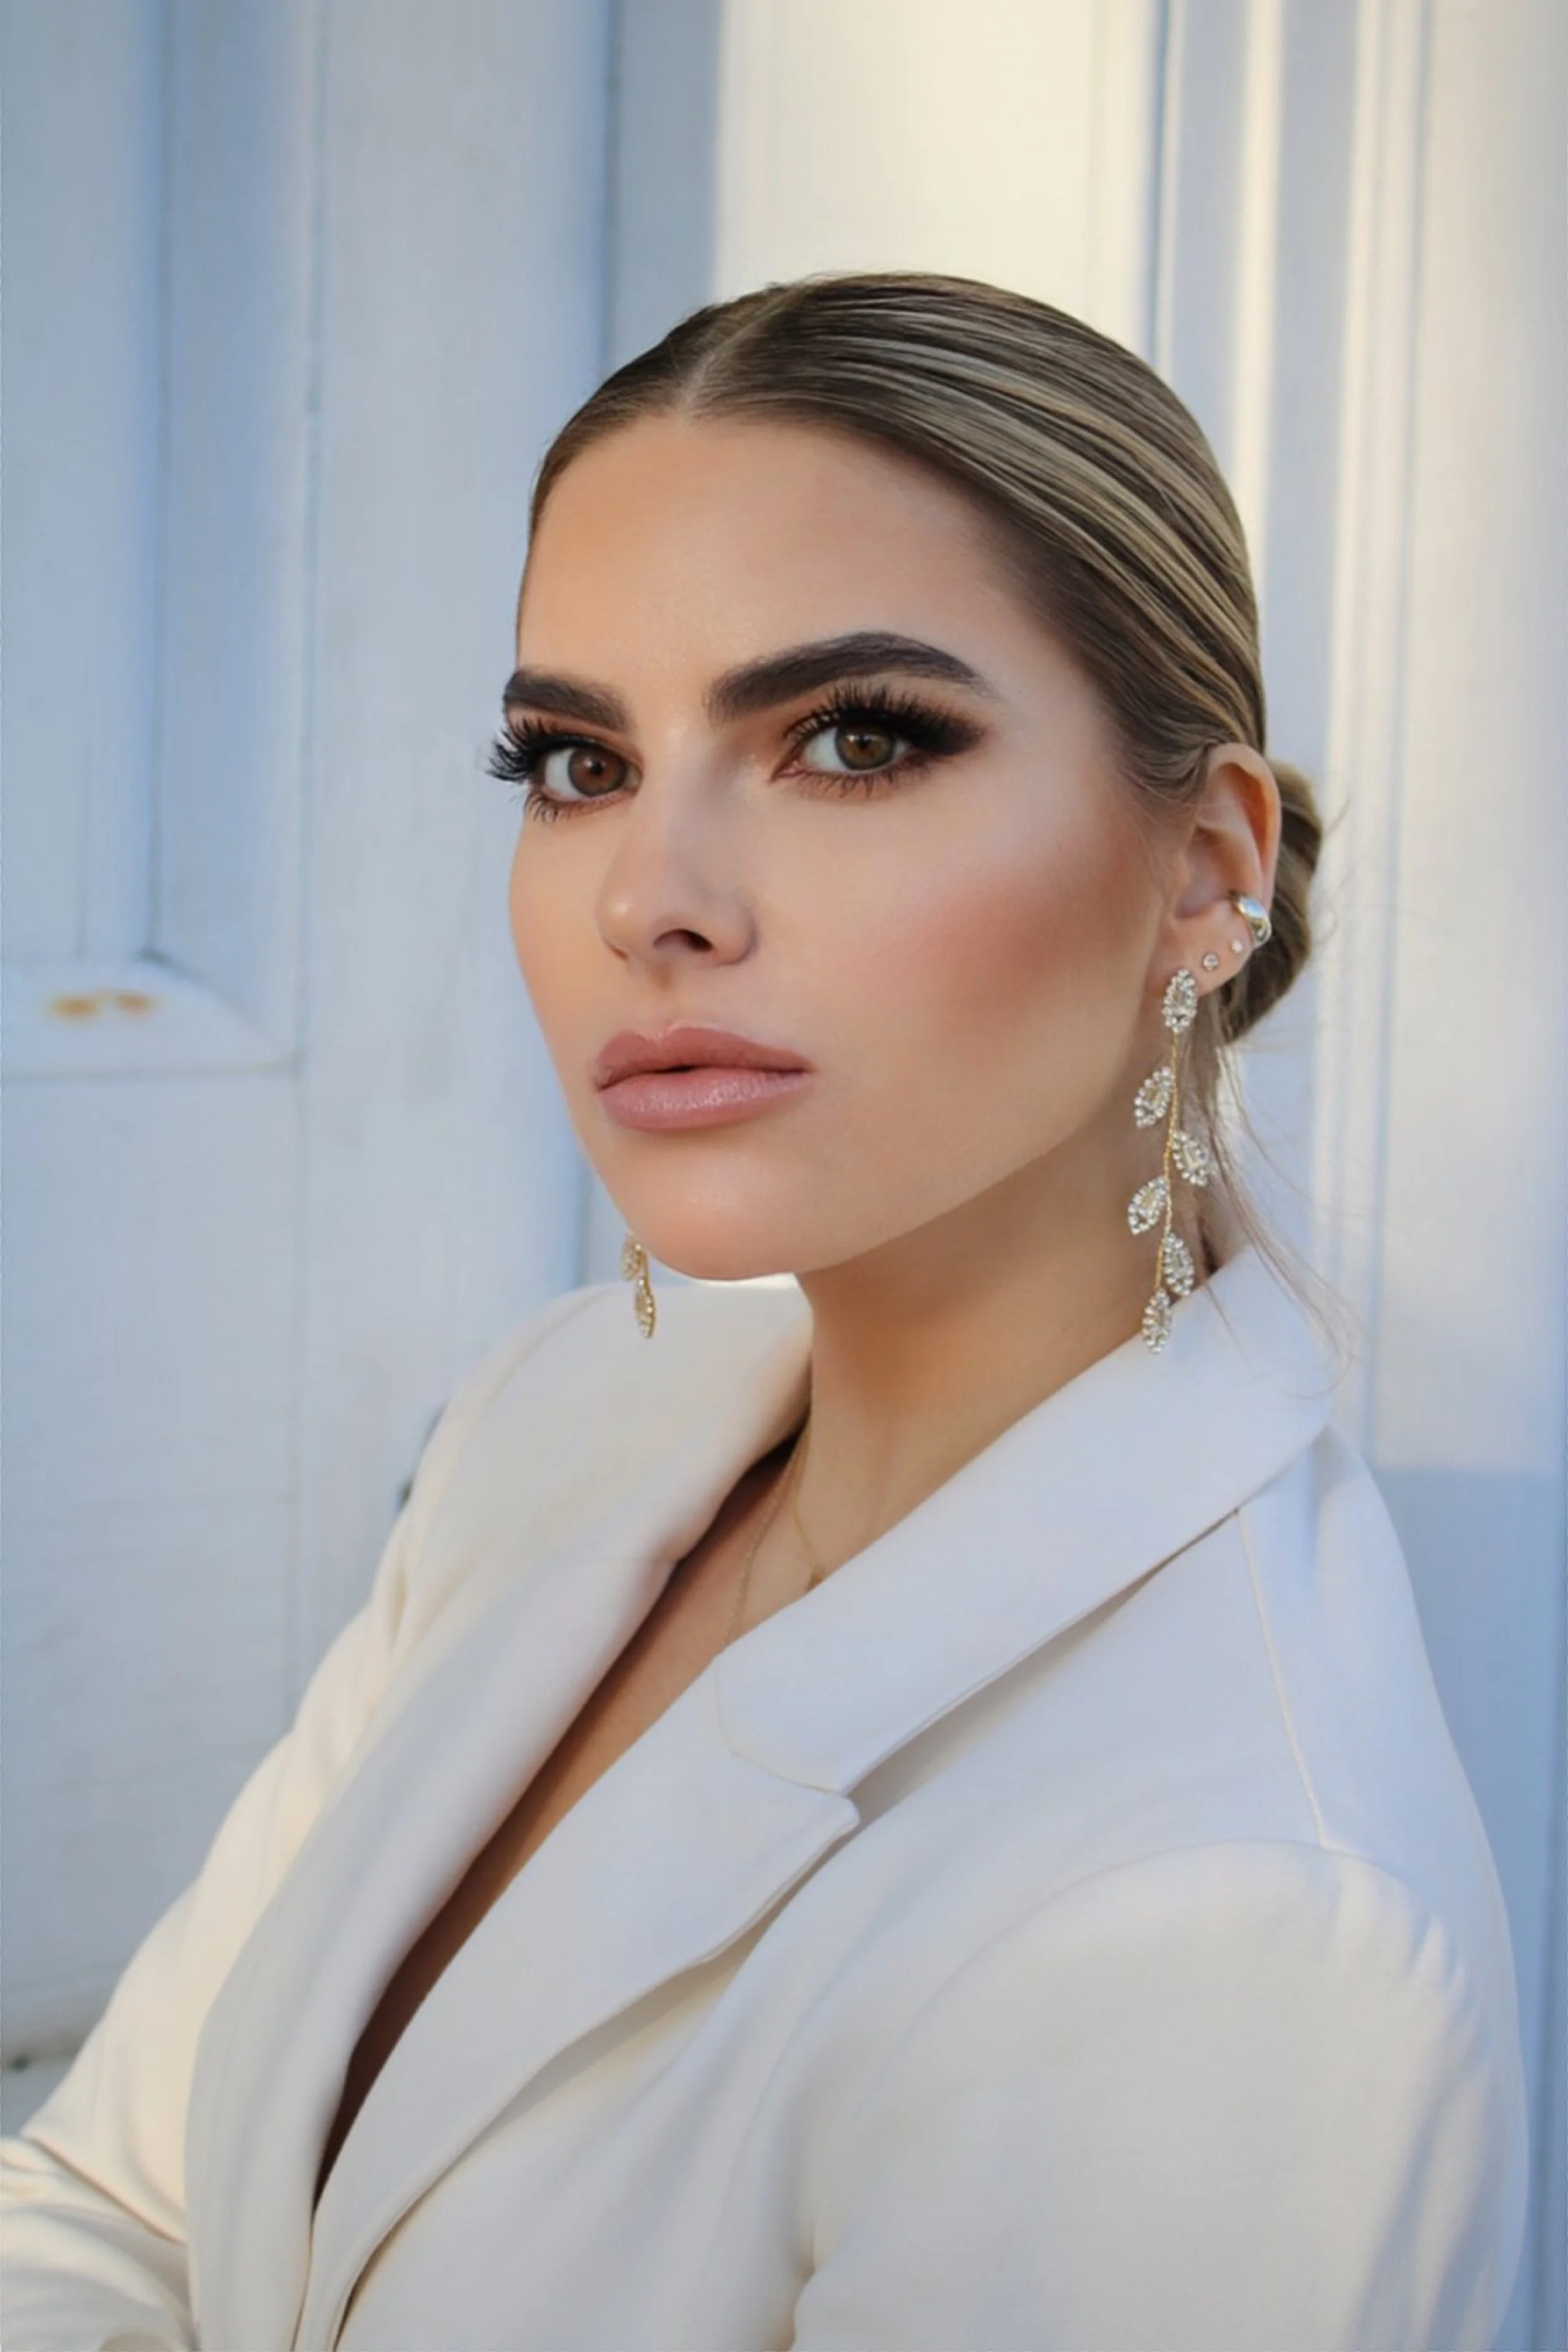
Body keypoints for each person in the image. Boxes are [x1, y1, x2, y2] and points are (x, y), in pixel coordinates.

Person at [1, 271, 1527, 2351]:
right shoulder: (557, 1421)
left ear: (1202, 869)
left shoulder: (1233, 1919)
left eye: (854, 738)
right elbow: (106, 2196)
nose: (653, 896)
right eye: (573, 761)